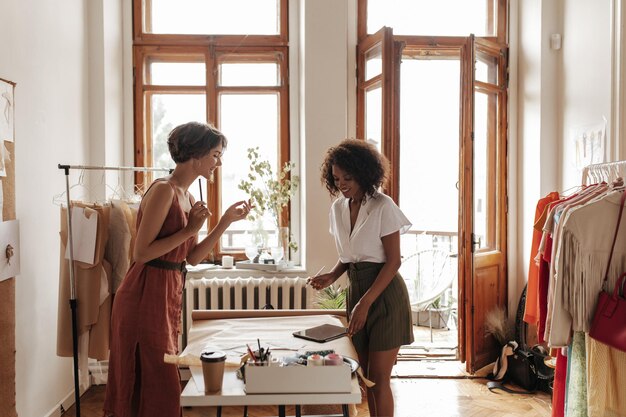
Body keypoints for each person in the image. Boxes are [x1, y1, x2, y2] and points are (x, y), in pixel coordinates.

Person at [103, 121, 252, 417]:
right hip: (143, 291)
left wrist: (224, 221)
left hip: (167, 290)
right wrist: (190, 229)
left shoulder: (189, 197)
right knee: (156, 379)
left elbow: (192, 258)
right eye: (215, 154)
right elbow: (141, 252)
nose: (218, 162)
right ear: (195, 155)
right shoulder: (163, 191)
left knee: (161, 378)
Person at [308, 139, 413, 417]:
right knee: (365, 378)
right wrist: (332, 275)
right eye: (336, 178)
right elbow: (349, 254)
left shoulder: (383, 206)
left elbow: (393, 261)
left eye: (348, 177)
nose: (341, 183)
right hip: (358, 294)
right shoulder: (338, 209)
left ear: (365, 173)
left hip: (385, 295)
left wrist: (365, 304)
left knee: (379, 380)